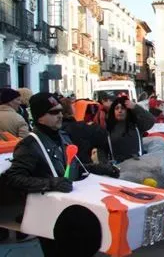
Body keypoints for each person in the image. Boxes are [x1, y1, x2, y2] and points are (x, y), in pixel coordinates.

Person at [3, 92, 119, 256]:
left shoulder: (63, 137)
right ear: (40, 116)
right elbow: (14, 178)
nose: (60, 115)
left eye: (60, 111)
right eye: (53, 112)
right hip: (48, 216)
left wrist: (101, 168)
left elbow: (74, 167)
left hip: (72, 212)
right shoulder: (30, 144)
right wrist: (51, 183)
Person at [105, 96, 155, 163]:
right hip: (118, 167)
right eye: (117, 108)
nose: (120, 111)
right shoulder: (108, 128)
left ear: (127, 110)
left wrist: (135, 107)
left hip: (138, 166)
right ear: (113, 112)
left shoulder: (136, 125)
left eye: (123, 108)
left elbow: (151, 120)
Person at [60, 97, 108, 165]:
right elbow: (103, 135)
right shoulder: (80, 127)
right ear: (70, 109)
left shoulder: (57, 129)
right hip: (84, 165)